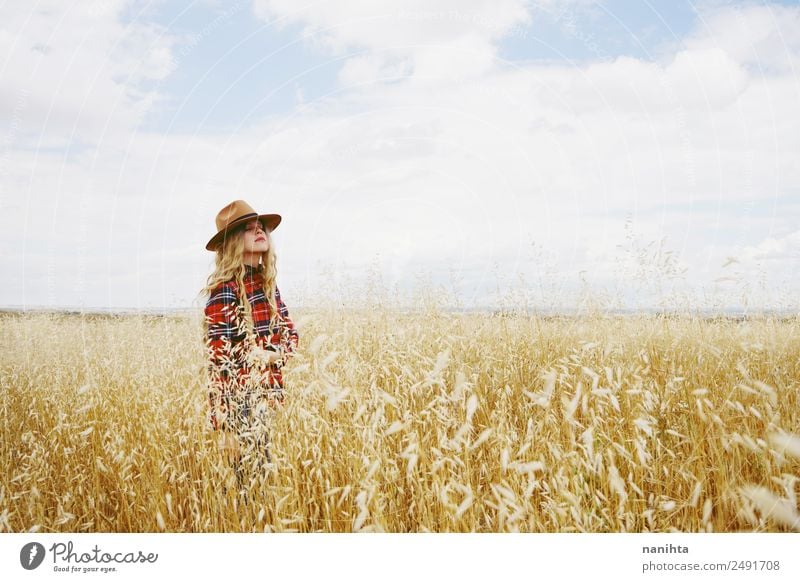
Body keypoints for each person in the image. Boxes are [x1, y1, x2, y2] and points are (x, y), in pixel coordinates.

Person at [201, 199, 299, 495]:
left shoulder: (267, 285)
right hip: (242, 407)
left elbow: (291, 336)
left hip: (272, 399)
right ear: (232, 242)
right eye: (249, 229)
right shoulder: (224, 292)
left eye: (262, 227)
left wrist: (273, 355)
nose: (260, 232)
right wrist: (226, 430)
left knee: (271, 487)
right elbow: (218, 366)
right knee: (252, 492)